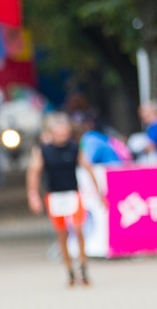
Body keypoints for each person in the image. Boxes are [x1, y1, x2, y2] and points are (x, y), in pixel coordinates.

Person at [26, 113, 104, 286]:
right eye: (59, 134)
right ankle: (69, 270)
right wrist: (33, 195)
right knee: (62, 234)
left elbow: (88, 167)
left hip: (72, 194)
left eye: (65, 134)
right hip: (54, 196)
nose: (62, 137)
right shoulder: (43, 151)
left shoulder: (74, 148)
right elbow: (34, 172)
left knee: (78, 229)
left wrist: (98, 190)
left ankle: (83, 266)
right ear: (52, 133)